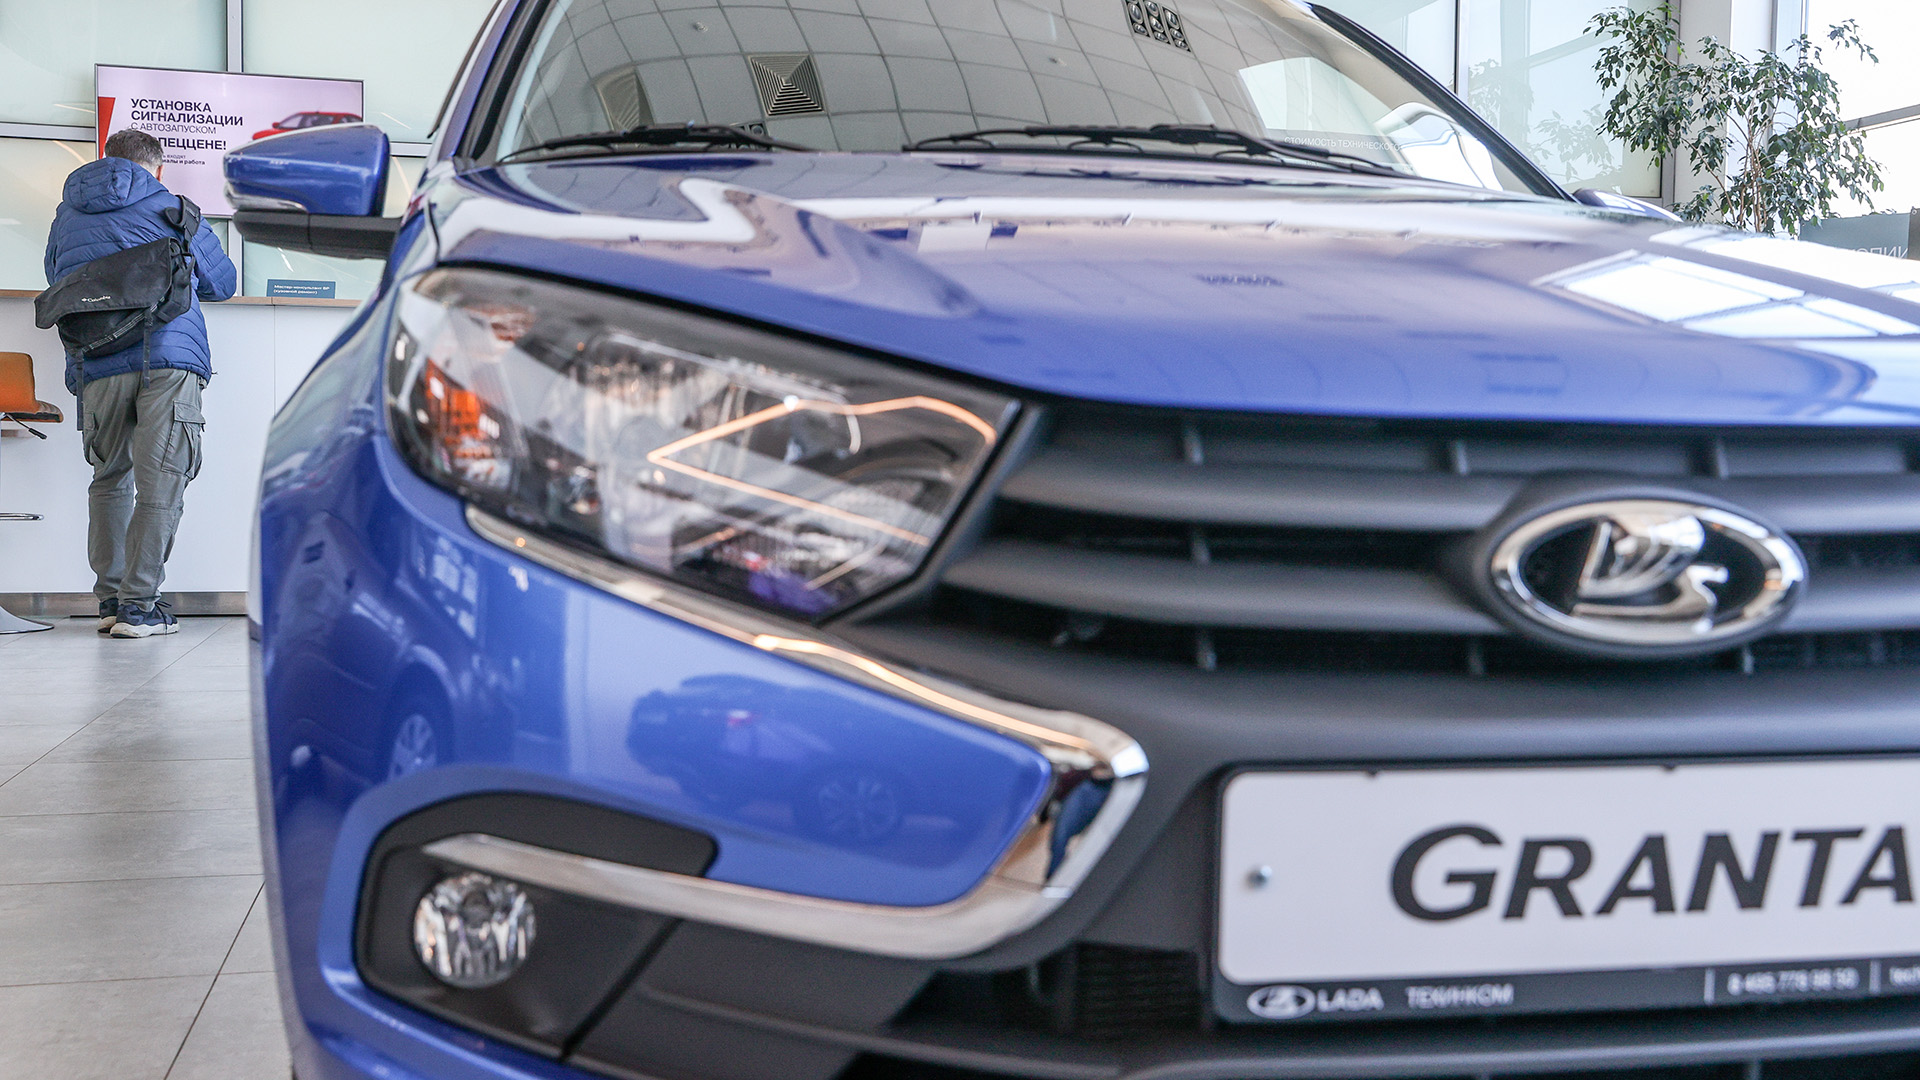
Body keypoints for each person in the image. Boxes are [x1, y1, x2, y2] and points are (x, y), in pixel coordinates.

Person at [44, 129, 237, 638]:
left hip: (96, 359)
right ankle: (139, 607)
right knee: (161, 481)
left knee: (109, 478)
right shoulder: (175, 209)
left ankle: (110, 602)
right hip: (168, 356)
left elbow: (56, 276)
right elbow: (223, 283)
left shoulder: (66, 216)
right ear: (158, 169)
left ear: (105, 160)